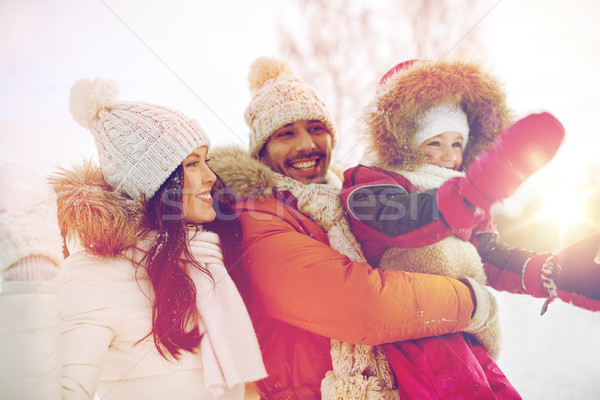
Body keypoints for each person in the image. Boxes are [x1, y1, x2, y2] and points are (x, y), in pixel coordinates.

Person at [206, 56, 498, 400]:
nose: (306, 145)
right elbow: (363, 306)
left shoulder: (347, 203)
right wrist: (473, 301)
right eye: (285, 134)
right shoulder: (253, 217)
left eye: (316, 129)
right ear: (262, 150)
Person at [339, 59, 600, 398]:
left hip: (464, 329)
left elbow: (489, 256)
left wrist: (549, 272)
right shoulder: (371, 183)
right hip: (414, 335)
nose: (449, 156)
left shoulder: (464, 191)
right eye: (435, 143)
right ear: (402, 141)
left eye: (457, 143)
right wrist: (476, 189)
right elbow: (403, 219)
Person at [0, 78, 267, 400]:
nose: (211, 176)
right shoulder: (95, 273)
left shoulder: (208, 258)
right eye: (192, 164)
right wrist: (27, 282)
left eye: (206, 160)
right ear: (155, 183)